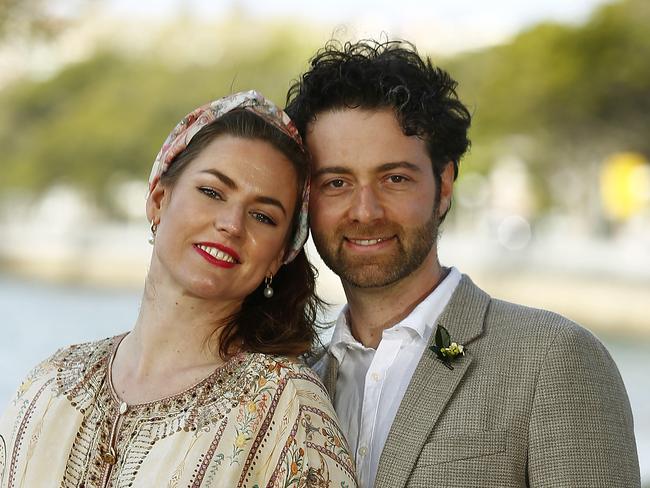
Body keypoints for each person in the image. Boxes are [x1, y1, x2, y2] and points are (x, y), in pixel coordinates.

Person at [285, 40, 641, 488]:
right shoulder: (298, 387)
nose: (365, 211)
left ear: (445, 183)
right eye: (336, 182)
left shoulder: (553, 360)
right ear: (306, 198)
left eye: (395, 178)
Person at [0, 90, 357, 488]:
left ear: (279, 256)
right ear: (158, 199)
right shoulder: (50, 384)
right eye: (212, 192)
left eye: (262, 215)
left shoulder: (286, 407)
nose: (232, 224)